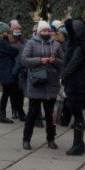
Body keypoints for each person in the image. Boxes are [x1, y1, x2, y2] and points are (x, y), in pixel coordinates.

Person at [19, 21, 62, 150]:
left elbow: (63, 62)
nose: (46, 33)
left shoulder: (56, 44)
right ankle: (26, 139)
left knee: (50, 115)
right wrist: (40, 60)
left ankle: (51, 139)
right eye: (43, 31)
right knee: (32, 114)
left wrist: (55, 60)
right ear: (39, 32)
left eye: (48, 31)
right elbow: (24, 60)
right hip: (36, 82)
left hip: (51, 83)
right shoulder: (31, 43)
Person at [61, 19, 85, 155]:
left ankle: (78, 145)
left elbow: (73, 63)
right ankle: (79, 144)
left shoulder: (81, 46)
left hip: (78, 85)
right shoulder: (78, 44)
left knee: (77, 114)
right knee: (76, 112)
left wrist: (63, 77)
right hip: (77, 83)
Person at [0, 26, 21, 123]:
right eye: (9, 32)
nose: (11, 34)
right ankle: (2, 115)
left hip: (6, 71)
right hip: (6, 72)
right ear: (4, 33)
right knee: (7, 93)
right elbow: (15, 51)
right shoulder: (1, 42)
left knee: (11, 93)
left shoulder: (2, 42)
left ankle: (17, 113)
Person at [8, 19, 27, 120]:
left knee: (20, 91)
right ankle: (14, 110)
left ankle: (20, 110)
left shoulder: (24, 41)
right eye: (15, 29)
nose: (17, 31)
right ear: (12, 30)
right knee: (13, 91)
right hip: (12, 68)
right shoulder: (9, 41)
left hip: (22, 69)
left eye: (18, 29)